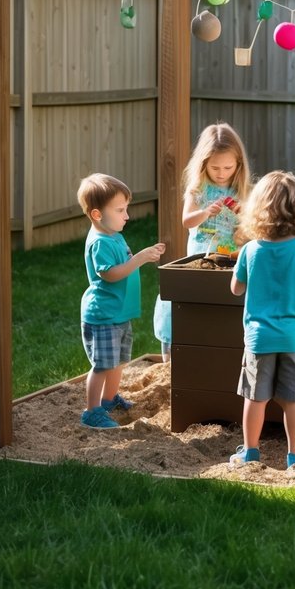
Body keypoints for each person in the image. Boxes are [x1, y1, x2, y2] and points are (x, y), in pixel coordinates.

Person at [228, 170, 295, 470]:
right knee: (293, 401)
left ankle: (249, 452)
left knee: (255, 399)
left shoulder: (249, 250)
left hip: (259, 338)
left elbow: (236, 288)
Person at [153, 122, 252, 359]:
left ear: (238, 164)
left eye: (228, 167)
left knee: (228, 299)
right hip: (201, 256)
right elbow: (187, 221)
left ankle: (226, 348)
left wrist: (243, 213)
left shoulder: (243, 190)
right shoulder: (198, 189)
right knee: (187, 298)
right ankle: (173, 350)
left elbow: (254, 228)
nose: (221, 173)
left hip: (231, 255)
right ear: (203, 164)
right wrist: (206, 212)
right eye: (214, 167)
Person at [78, 172, 165, 429]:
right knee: (102, 365)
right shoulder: (99, 242)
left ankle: (108, 399)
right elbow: (111, 274)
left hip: (120, 313)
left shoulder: (114, 234)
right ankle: (92, 411)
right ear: (97, 214)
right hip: (104, 315)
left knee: (119, 362)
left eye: (126, 209)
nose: (126, 215)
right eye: (120, 210)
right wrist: (139, 258)